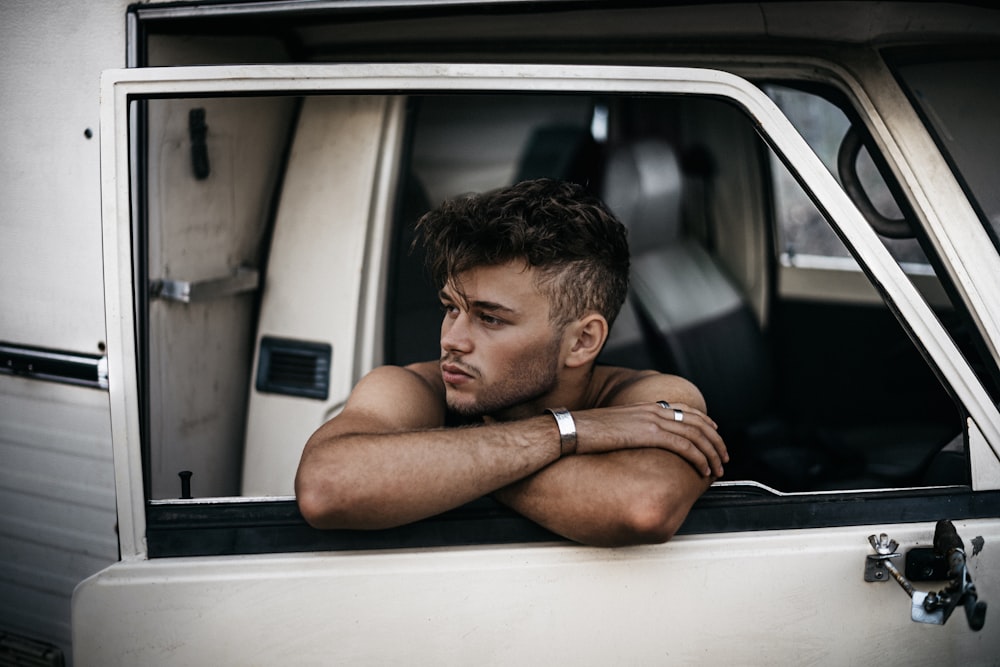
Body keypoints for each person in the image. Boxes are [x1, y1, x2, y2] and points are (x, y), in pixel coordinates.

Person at [295, 178, 728, 547]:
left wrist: (442, 465)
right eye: (450, 308)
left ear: (581, 341)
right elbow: (326, 486)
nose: (451, 340)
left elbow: (642, 506)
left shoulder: (649, 400)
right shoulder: (413, 387)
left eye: (489, 318)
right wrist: (571, 431)